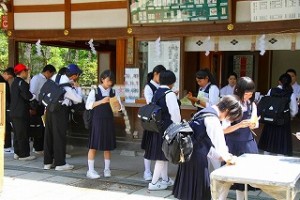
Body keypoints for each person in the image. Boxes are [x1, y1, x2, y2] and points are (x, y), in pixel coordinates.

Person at [172, 95, 243, 200]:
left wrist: (220, 157)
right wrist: (228, 157)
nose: (228, 120)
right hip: (197, 159)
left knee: (189, 193)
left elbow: (202, 140)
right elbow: (220, 144)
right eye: (230, 117)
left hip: (189, 155)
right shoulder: (212, 119)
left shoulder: (204, 112)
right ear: (227, 110)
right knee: (198, 193)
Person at [222, 76, 259, 200]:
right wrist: (239, 125)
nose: (248, 96)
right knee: (227, 180)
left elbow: (255, 123)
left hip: (248, 144)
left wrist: (253, 124)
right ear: (239, 90)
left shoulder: (251, 104)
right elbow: (223, 130)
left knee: (243, 181)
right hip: (232, 144)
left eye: (251, 93)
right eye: (246, 93)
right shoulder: (232, 104)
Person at [43, 63, 83, 171]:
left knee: (49, 136)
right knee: (59, 136)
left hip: (49, 109)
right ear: (74, 75)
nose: (77, 78)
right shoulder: (67, 86)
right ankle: (60, 163)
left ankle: (47, 162)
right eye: (78, 75)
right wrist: (77, 88)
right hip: (60, 111)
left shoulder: (56, 77)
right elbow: (78, 99)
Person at [147, 70, 181, 190]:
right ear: (172, 82)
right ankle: (154, 183)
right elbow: (175, 114)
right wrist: (178, 126)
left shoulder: (157, 92)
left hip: (157, 127)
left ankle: (165, 179)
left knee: (163, 155)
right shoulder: (169, 94)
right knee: (162, 156)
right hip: (167, 128)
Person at [85, 70, 121, 179]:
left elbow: (119, 108)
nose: (110, 83)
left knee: (107, 146)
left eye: (111, 81)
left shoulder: (114, 92)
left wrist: (118, 106)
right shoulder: (95, 91)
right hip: (97, 121)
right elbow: (88, 105)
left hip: (108, 120)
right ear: (102, 79)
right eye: (108, 80)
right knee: (93, 145)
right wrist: (102, 101)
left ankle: (107, 169)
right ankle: (90, 170)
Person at [258, 73, 298, 156]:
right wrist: (289, 116)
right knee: (281, 146)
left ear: (279, 82)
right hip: (283, 123)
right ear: (290, 83)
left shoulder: (271, 91)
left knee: (268, 145)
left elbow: (266, 103)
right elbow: (294, 110)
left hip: (270, 121)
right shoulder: (291, 94)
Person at [141, 65, 166, 181]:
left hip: (160, 121)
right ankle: (147, 171)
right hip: (151, 121)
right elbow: (150, 102)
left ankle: (160, 173)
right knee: (149, 147)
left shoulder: (161, 86)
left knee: (159, 148)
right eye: (160, 75)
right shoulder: (148, 87)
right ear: (155, 74)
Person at [10, 64, 36, 161]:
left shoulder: (14, 82)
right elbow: (27, 96)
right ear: (23, 72)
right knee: (23, 133)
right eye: (26, 71)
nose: (27, 73)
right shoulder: (22, 83)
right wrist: (33, 96)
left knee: (17, 133)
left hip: (14, 111)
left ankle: (17, 152)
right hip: (21, 112)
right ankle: (24, 155)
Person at [29, 64, 56, 154]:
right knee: (38, 126)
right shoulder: (37, 78)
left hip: (44, 104)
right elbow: (32, 92)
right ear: (47, 72)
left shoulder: (47, 80)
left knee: (43, 126)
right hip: (37, 104)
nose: (51, 76)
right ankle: (37, 147)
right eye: (51, 74)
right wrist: (33, 106)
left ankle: (40, 146)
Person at [1, 67, 15, 153]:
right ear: (5, 73)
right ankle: (6, 146)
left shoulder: (4, 81)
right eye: (9, 77)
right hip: (3, 106)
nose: (9, 79)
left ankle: (6, 145)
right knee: (6, 126)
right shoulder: (2, 81)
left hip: (5, 106)